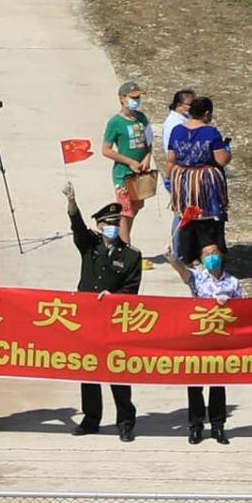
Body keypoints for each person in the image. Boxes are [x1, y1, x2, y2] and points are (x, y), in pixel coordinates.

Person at [62, 183, 141, 441]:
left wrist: (113, 298)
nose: (113, 227)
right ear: (99, 226)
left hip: (114, 320)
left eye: (116, 223)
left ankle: (125, 420)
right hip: (88, 319)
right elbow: (77, 229)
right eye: (108, 223)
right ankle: (91, 418)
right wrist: (72, 202)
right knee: (89, 370)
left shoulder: (130, 256)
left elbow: (132, 288)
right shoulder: (90, 245)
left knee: (117, 370)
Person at [166, 96, 231, 265]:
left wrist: (170, 180)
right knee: (207, 219)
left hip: (183, 180)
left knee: (187, 218)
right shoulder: (210, 132)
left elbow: (171, 157)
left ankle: (188, 257)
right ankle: (210, 256)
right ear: (207, 113)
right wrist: (227, 150)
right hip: (203, 182)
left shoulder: (177, 130)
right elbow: (222, 160)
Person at [186, 243, 240, 445]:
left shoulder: (233, 282)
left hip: (221, 340)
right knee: (195, 385)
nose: (211, 257)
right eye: (206, 254)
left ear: (221, 255)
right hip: (198, 339)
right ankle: (196, 426)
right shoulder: (197, 277)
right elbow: (184, 274)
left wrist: (230, 305)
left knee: (217, 384)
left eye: (214, 253)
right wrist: (171, 257)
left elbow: (243, 313)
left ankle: (218, 426)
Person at [102, 81, 153, 243]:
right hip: (123, 175)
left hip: (140, 175)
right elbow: (106, 149)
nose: (136, 100)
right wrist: (129, 161)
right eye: (133, 97)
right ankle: (126, 248)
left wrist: (146, 158)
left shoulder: (142, 118)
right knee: (125, 212)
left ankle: (122, 241)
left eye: (138, 97)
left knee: (134, 210)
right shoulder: (115, 123)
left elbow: (149, 142)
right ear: (122, 99)